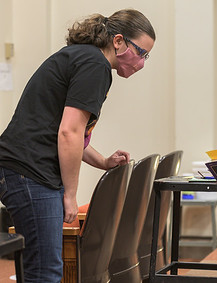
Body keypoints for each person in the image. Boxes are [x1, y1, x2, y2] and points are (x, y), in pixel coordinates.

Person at [0, 9, 155, 282]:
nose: (142, 62)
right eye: (140, 52)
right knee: (44, 271)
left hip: (26, 169)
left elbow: (74, 136)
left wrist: (104, 162)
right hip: (29, 172)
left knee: (42, 268)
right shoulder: (94, 65)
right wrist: (70, 194)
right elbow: (68, 133)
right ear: (118, 41)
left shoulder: (87, 59)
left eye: (146, 56)